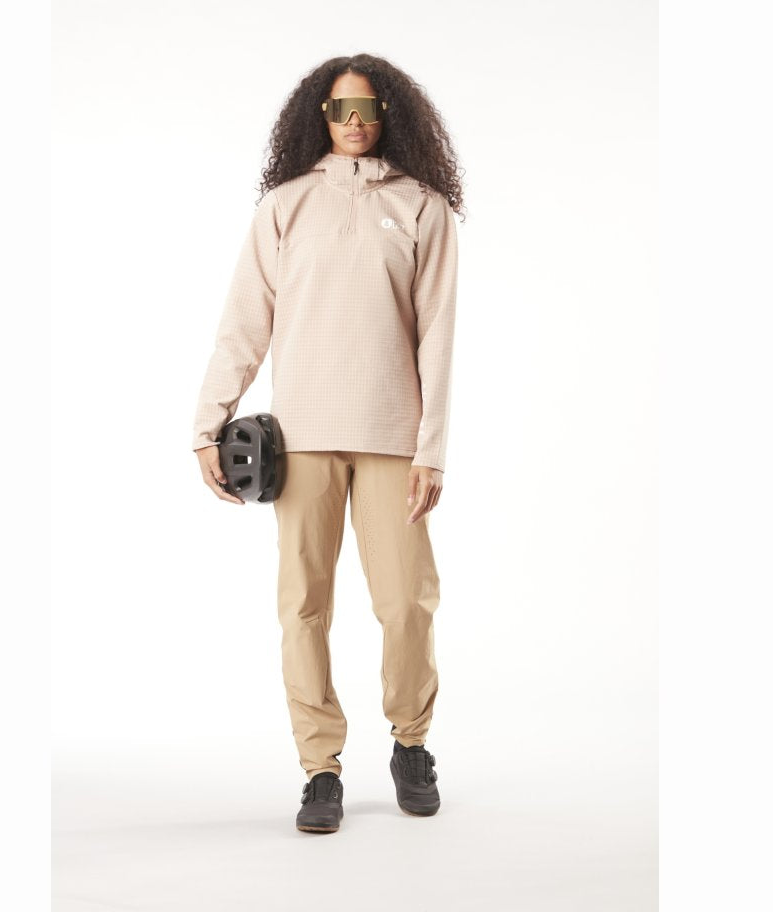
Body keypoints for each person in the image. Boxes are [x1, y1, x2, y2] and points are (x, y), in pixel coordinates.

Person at [191, 53, 463, 833]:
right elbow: (245, 322)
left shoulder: (422, 206)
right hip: (302, 438)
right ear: (321, 115)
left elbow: (439, 335)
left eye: (367, 109)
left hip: (392, 438)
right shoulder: (286, 205)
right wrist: (208, 421)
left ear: (389, 114)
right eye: (341, 109)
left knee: (406, 603)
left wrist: (432, 448)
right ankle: (320, 769)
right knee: (303, 606)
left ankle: (411, 743)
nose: (354, 123)